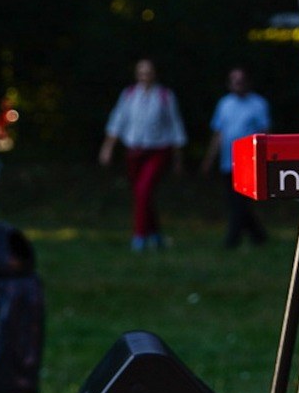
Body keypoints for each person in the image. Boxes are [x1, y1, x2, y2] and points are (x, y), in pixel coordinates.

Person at [100, 58, 187, 251]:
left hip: (157, 150)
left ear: (154, 74)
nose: (144, 76)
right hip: (134, 151)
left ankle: (139, 236)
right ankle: (156, 235)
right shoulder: (129, 94)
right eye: (141, 73)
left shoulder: (165, 96)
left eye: (148, 73)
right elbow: (118, 120)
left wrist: (178, 158)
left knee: (143, 191)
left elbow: (175, 126)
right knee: (142, 195)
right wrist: (108, 147)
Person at [200, 66, 271, 249]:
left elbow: (264, 132)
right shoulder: (224, 104)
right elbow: (218, 133)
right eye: (234, 81)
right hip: (228, 161)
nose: (237, 84)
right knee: (235, 201)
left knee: (240, 201)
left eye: (240, 80)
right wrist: (210, 158)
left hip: (249, 161)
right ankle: (258, 235)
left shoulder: (258, 104)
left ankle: (233, 239)